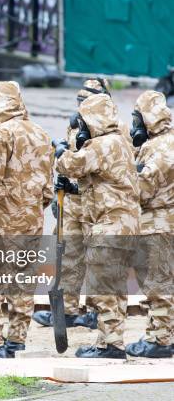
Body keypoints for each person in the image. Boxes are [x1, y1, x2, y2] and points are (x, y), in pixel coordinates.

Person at [0, 81, 54, 358]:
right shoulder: (41, 133)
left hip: (3, 223)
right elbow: (48, 190)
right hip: (32, 222)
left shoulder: (0, 135)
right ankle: (17, 341)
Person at [53, 93, 140, 358]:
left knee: (100, 285)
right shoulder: (121, 143)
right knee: (114, 287)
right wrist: (72, 189)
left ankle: (111, 345)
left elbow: (72, 164)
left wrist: (60, 152)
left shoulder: (102, 145)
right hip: (124, 225)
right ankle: (109, 341)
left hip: (110, 227)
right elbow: (103, 186)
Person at [33, 79, 112, 330]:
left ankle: (96, 312)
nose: (81, 107)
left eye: (86, 101)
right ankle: (66, 312)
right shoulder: (76, 126)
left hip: (95, 205)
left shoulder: (111, 132)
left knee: (98, 261)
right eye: (79, 101)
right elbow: (67, 164)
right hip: (72, 202)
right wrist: (61, 195)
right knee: (67, 258)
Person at [126, 90, 173, 358]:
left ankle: (160, 340)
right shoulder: (167, 142)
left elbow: (143, 189)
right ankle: (161, 333)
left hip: (158, 222)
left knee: (157, 283)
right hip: (164, 221)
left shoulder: (159, 148)